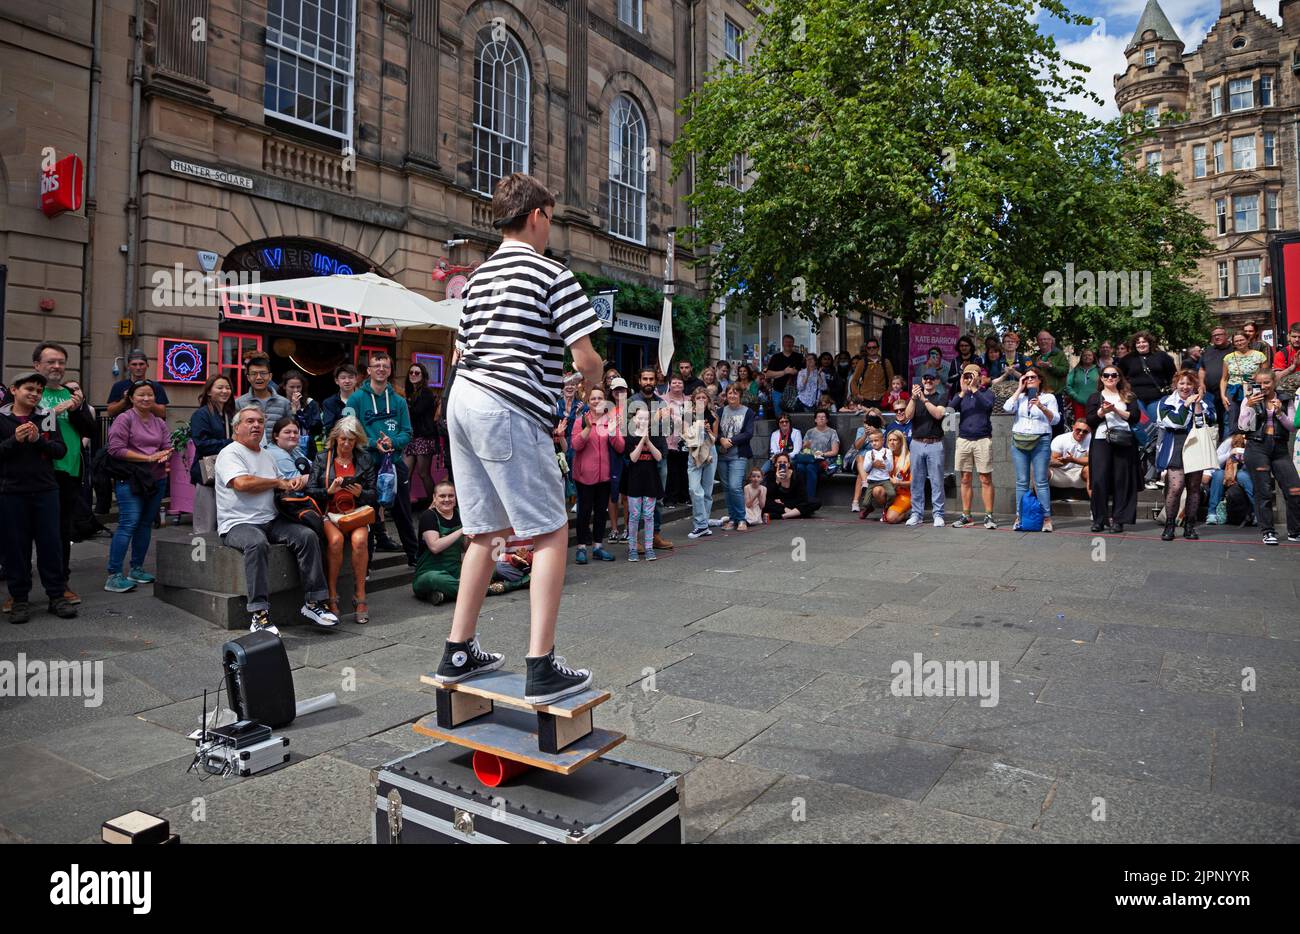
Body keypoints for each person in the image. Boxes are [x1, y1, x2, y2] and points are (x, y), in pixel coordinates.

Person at [437, 172, 604, 703]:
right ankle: (541, 664)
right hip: (505, 405)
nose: (551, 229)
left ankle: (457, 651)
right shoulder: (550, 273)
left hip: (462, 400)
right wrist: (586, 388)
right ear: (536, 216)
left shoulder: (478, 276)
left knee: (485, 531)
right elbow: (586, 357)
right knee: (552, 531)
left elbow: (459, 352)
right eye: (551, 219)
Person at [216, 406, 339, 634]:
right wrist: (276, 482)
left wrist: (293, 484)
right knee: (256, 543)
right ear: (236, 428)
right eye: (249, 421)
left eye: (260, 422)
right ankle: (259, 614)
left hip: (271, 519)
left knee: (307, 536)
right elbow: (241, 483)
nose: (256, 425)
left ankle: (314, 603)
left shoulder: (267, 455)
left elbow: (281, 485)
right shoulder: (230, 453)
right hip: (238, 523)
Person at [0, 372, 77, 622]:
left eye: (39, 390)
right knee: (16, 547)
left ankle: (56, 596)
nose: (35, 394)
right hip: (12, 492)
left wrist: (36, 441)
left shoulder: (46, 416)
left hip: (45, 490)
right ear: (14, 390)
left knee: (50, 545)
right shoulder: (2, 418)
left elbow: (59, 449)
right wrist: (15, 440)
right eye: (29, 389)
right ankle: (20, 600)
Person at [33, 342, 94, 608]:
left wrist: (77, 410)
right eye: (51, 362)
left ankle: (61, 582)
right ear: (37, 365)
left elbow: (91, 430)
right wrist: (53, 412)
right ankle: (18, 590)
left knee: (61, 531)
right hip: (36, 472)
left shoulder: (72, 395)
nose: (57, 367)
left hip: (68, 471)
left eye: (61, 362)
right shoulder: (31, 392)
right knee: (25, 531)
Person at [348, 351, 418, 564]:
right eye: (376, 366)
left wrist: (392, 443)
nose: (380, 369)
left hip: (394, 464)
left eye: (385, 366)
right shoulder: (356, 398)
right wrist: (372, 444)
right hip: (366, 466)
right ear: (369, 371)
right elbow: (349, 431)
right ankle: (365, 564)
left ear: (390, 371)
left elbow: (407, 432)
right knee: (367, 515)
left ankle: (414, 559)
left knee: (403, 514)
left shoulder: (398, 401)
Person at [103, 381, 173, 593]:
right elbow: (115, 449)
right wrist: (148, 457)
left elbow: (168, 446)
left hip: (156, 479)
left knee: (144, 525)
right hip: (130, 479)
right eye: (141, 395)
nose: (146, 399)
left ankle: (137, 569)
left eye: (150, 395)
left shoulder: (159, 422)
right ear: (131, 398)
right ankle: (114, 574)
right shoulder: (124, 419)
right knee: (128, 523)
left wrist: (164, 455)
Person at [307, 415, 377, 622]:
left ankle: (360, 595)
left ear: (357, 441)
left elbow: (374, 494)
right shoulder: (322, 458)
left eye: (351, 440)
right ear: (336, 438)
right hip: (330, 512)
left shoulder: (364, 459)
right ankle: (332, 595)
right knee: (335, 542)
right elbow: (310, 490)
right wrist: (328, 491)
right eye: (343, 439)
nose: (346, 444)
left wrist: (360, 493)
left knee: (360, 541)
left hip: (356, 512)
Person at [414, 481, 528, 604]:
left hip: (456, 571)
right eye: (442, 496)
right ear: (434, 498)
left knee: (493, 567)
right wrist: (461, 531)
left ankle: (446, 594)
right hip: (429, 573)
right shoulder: (428, 516)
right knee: (437, 580)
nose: (447, 499)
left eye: (451, 496)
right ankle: (508, 586)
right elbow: (435, 547)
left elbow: (466, 548)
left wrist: (472, 537)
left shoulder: (460, 514)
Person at [1229, 368, 1300, 545]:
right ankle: (1268, 531)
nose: (1263, 386)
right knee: (1264, 491)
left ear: (1273, 382)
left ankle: (1295, 531)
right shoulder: (1249, 399)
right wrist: (1249, 408)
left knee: (1294, 489)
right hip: (1257, 446)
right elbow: (1244, 427)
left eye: (1266, 382)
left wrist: (1279, 413)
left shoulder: (1284, 399)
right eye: (1259, 383)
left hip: (1280, 447)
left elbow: (1292, 427)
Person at [1155, 371, 1215, 541]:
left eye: (1189, 384)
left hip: (1196, 445)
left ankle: (1189, 526)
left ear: (1194, 386)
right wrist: (1186, 405)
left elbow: (1211, 419)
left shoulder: (1203, 402)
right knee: (1176, 487)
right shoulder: (1165, 402)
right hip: (1175, 444)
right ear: (1176, 384)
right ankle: (1170, 525)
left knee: (1194, 488)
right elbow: (1176, 422)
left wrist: (1197, 406)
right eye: (1181, 383)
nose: (1185, 387)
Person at [1085, 365, 1141, 533]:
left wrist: (1115, 409)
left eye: (1113, 375)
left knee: (1121, 480)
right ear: (1101, 378)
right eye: (1106, 375)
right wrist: (1102, 411)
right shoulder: (1095, 397)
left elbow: (1135, 417)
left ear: (1119, 377)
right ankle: (1099, 519)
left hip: (1123, 441)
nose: (1110, 378)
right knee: (1099, 480)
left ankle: (1119, 520)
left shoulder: (1128, 396)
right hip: (1102, 440)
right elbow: (1090, 421)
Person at [1002, 368, 1060, 532]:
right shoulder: (1020, 397)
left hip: (1041, 440)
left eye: (1033, 377)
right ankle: (1020, 517)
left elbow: (1055, 420)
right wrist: (1019, 389)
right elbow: (1007, 408)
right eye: (1026, 378)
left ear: (1040, 379)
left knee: (1040, 481)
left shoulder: (1048, 397)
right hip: (1019, 440)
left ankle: (1046, 519)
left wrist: (1041, 406)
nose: (1029, 380)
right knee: (1021, 481)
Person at [570, 387, 623, 562]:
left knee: (601, 512)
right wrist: (587, 428)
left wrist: (614, 431)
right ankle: (581, 548)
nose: (597, 401)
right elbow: (576, 446)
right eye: (593, 398)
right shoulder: (580, 421)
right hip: (585, 476)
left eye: (600, 398)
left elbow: (620, 447)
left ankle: (598, 546)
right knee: (584, 512)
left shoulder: (610, 420)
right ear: (588, 402)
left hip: (605, 476)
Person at [626, 367, 674, 551]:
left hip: (658, 455)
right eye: (644, 379)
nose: (648, 382)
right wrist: (655, 418)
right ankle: (635, 538)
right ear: (639, 381)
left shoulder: (661, 402)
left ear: (656, 381)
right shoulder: (632, 401)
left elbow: (666, 429)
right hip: (638, 457)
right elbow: (630, 429)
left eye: (651, 379)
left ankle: (654, 536)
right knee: (636, 501)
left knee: (658, 498)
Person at [951, 363, 997, 529]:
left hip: (982, 440)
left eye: (972, 375)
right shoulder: (962, 395)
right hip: (964, 440)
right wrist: (963, 391)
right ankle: (966, 515)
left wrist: (975, 388)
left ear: (979, 376)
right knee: (965, 479)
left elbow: (988, 406)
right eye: (966, 375)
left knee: (985, 478)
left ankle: (989, 516)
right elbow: (950, 409)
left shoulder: (987, 393)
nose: (969, 378)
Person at [190, 374, 236, 534]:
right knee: (205, 525)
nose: (225, 391)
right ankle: (200, 558)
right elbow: (201, 445)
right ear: (209, 391)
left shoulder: (231, 414)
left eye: (228, 388)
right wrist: (230, 442)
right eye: (220, 387)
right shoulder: (201, 414)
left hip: (229, 474)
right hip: (208, 475)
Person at [904, 368, 947, 527]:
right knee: (917, 481)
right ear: (921, 381)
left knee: (937, 481)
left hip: (935, 443)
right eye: (925, 379)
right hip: (916, 442)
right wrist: (914, 399)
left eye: (931, 379)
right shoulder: (915, 398)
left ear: (936, 381)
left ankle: (938, 514)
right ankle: (916, 513)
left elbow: (938, 414)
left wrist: (923, 399)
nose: (928, 381)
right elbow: (907, 417)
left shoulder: (941, 396)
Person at [1119, 331, 1177, 444]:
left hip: (1156, 398)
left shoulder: (1162, 356)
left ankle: (1157, 449)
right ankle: (1146, 448)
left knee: (1156, 425)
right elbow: (1119, 376)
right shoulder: (1127, 359)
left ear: (1149, 343)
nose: (1141, 344)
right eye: (1138, 342)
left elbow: (1173, 375)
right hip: (1136, 399)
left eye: (1144, 342)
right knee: (1140, 425)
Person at [623, 406, 664, 558]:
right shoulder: (630, 436)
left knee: (648, 515)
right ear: (634, 419)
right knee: (634, 515)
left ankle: (649, 547)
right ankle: (632, 547)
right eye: (640, 418)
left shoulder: (655, 435)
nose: (643, 421)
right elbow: (632, 458)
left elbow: (659, 457)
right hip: (634, 481)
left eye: (646, 418)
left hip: (651, 481)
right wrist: (642, 441)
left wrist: (648, 440)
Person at [717, 384, 755, 530]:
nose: (732, 396)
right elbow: (715, 430)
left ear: (740, 395)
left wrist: (730, 441)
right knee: (726, 488)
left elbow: (748, 433)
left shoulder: (748, 412)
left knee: (735, 486)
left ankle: (741, 519)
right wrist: (721, 439)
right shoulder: (720, 411)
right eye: (729, 393)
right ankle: (732, 518)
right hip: (722, 454)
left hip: (739, 454)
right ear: (726, 396)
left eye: (735, 393)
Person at [233, 354, 291, 448]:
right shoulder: (239, 403)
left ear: (270, 376)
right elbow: (236, 433)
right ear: (248, 377)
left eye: (263, 373)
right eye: (254, 374)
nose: (259, 377)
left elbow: (291, 431)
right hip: (249, 453)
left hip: (277, 456)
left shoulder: (284, 403)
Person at [684, 387, 719, 540]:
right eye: (698, 398)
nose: (701, 401)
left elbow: (715, 438)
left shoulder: (713, 416)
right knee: (694, 488)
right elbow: (684, 434)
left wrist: (708, 430)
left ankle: (702, 523)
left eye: (704, 398)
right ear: (693, 400)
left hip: (710, 451)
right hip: (694, 453)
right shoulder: (688, 415)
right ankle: (702, 523)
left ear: (708, 400)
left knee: (707, 490)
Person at [404, 362, 439, 504]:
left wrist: (404, 404)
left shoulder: (426, 392)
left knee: (423, 473)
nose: (413, 375)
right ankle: (404, 505)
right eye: (411, 372)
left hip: (424, 437)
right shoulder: (411, 392)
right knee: (405, 473)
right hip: (412, 437)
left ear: (423, 376)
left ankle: (434, 504)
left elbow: (416, 412)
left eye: (417, 373)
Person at [105, 348, 169, 419]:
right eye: (134, 364)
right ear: (128, 366)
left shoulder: (156, 386)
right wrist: (124, 400)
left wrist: (148, 401)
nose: (138, 367)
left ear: (147, 365)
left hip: (148, 426)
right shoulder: (118, 386)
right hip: (126, 427)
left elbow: (162, 413)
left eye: (141, 364)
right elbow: (110, 412)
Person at [1205, 433, 1254, 526]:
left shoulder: (1252, 443)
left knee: (1243, 476)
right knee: (1219, 475)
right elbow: (1215, 461)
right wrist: (1230, 454)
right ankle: (1212, 512)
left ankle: (1256, 512)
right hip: (1226, 470)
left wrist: (1245, 457)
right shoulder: (1228, 442)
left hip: (1242, 471)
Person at [794, 408, 840, 502]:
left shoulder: (832, 432)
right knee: (799, 467)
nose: (821, 419)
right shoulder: (810, 432)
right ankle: (800, 498)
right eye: (819, 417)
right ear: (815, 420)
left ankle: (809, 500)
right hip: (810, 458)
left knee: (810, 468)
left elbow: (835, 451)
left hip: (824, 460)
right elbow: (804, 449)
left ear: (827, 420)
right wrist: (805, 446)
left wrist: (822, 454)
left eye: (823, 417)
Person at [1031, 331, 1070, 434]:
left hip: (1055, 394)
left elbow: (1065, 371)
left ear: (1051, 341)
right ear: (1038, 342)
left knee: (1057, 424)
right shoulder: (1035, 356)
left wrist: (1051, 367)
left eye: (1046, 339)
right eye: (1041, 339)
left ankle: (1056, 448)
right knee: (1039, 422)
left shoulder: (1059, 354)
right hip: (1038, 395)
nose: (1043, 341)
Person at [1220, 331, 1270, 412]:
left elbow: (1266, 375)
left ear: (1248, 340)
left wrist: (1256, 377)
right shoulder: (1228, 358)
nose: (1239, 343)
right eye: (1236, 341)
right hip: (1233, 390)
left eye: (1242, 340)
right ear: (1233, 343)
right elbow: (1224, 379)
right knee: (1233, 417)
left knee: (1253, 415)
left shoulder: (1259, 355)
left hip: (1253, 390)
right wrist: (1223, 396)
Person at [606, 377, 630, 542]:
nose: (619, 393)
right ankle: (614, 528)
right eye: (616, 390)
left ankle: (628, 528)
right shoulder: (607, 411)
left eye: (622, 390)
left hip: (629, 453)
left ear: (627, 391)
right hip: (612, 454)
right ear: (612, 393)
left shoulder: (634, 408)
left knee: (627, 495)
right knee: (612, 494)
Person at [661, 375, 690, 506]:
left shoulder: (689, 400)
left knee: (684, 469)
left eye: (680, 382)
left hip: (685, 440)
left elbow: (693, 420)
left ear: (683, 385)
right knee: (671, 471)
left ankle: (684, 497)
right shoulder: (662, 399)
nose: (677, 385)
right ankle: (670, 499)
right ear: (669, 385)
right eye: (674, 383)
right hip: (668, 441)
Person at [1196, 326, 1231, 434]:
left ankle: (1226, 446)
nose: (1217, 337)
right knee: (1213, 419)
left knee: (1227, 420)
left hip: (1228, 391)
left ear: (1226, 336)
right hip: (1210, 393)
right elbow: (1202, 369)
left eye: (1220, 334)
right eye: (1214, 335)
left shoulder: (1233, 349)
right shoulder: (1208, 350)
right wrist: (1201, 384)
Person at [765, 452, 821, 519]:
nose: (782, 464)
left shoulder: (796, 475)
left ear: (788, 464)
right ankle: (796, 513)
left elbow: (803, 497)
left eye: (785, 462)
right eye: (779, 462)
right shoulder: (771, 475)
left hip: (793, 502)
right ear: (776, 464)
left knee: (816, 502)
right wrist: (777, 481)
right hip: (779, 504)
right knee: (765, 503)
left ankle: (782, 516)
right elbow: (768, 494)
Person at [856, 429, 895, 520]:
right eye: (871, 441)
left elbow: (890, 468)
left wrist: (885, 459)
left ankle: (886, 507)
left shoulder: (887, 452)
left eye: (876, 440)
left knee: (892, 494)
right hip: (872, 481)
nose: (874, 443)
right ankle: (869, 508)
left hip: (884, 479)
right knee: (865, 503)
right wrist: (872, 463)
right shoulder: (869, 453)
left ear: (883, 440)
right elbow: (865, 469)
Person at [282, 370, 322, 458]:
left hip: (307, 447)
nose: (295, 390)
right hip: (284, 447)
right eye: (291, 387)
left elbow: (317, 428)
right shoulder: (280, 403)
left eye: (298, 387)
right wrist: (293, 411)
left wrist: (299, 411)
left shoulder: (311, 403)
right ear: (284, 386)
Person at [1050, 419, 1092, 494]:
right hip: (1059, 473)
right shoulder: (1060, 439)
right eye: (1078, 430)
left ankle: (1096, 504)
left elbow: (1091, 460)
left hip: (1079, 474)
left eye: (1085, 431)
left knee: (1090, 470)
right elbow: (1053, 459)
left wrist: (1072, 460)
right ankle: (1037, 503)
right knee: (1038, 468)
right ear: (1073, 428)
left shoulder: (1092, 440)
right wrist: (1062, 462)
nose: (1081, 433)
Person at [765, 334, 803, 414]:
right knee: (780, 418)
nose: (788, 344)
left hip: (795, 393)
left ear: (793, 343)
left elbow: (804, 372)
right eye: (786, 342)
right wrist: (784, 372)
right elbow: (768, 374)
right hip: (778, 392)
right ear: (782, 343)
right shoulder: (776, 357)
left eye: (790, 342)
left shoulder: (799, 357)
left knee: (795, 417)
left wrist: (796, 372)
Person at [883, 429, 913, 523]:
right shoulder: (885, 456)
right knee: (877, 491)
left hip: (905, 494)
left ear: (901, 442)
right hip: (891, 492)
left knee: (891, 518)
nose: (892, 443)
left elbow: (915, 483)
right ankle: (887, 508)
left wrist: (899, 482)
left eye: (895, 440)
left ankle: (908, 512)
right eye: (890, 440)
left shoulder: (910, 458)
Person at [321, 363, 359, 435]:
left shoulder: (363, 400)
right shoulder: (329, 403)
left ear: (356, 379)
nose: (347, 381)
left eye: (351, 377)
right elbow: (329, 428)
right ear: (336, 381)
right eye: (343, 378)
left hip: (361, 443)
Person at [1066, 347, 1100, 422]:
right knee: (1080, 425)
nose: (1087, 357)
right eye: (1084, 355)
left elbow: (1103, 385)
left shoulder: (1099, 370)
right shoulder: (1075, 370)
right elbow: (1068, 385)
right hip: (1078, 403)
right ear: (1081, 358)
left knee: (1093, 424)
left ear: (1093, 357)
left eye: (1089, 355)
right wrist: (1075, 396)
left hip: (1095, 403)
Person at [947, 335, 983, 400]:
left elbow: (981, 377)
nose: (964, 348)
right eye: (961, 346)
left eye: (966, 345)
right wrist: (961, 370)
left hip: (973, 394)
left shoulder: (977, 359)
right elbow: (950, 379)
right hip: (957, 393)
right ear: (958, 347)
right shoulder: (955, 361)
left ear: (970, 347)